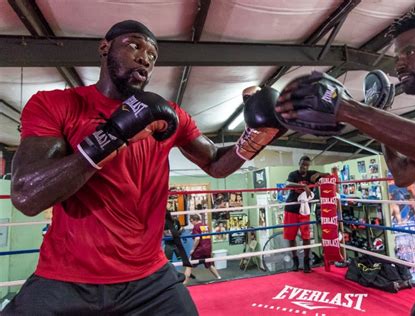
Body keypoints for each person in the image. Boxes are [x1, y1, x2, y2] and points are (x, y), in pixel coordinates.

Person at [6, 20, 284, 315]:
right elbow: (26, 195)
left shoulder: (170, 114)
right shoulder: (57, 104)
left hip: (150, 279)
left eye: (152, 55)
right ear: (104, 47)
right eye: (134, 46)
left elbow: (215, 163)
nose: (145, 58)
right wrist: (112, 135)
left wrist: (257, 136)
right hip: (67, 277)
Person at [275, 5, 415, 314]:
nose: (400, 63)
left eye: (410, 51)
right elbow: (403, 173)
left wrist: (349, 108)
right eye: (398, 56)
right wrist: (378, 114)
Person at [284, 155, 328, 273]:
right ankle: (295, 261)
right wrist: (304, 186)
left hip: (305, 210)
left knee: (306, 236)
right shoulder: (293, 174)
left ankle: (306, 262)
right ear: (299, 163)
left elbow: (329, 175)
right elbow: (287, 184)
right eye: (303, 164)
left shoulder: (311, 174)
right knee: (291, 236)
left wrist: (319, 174)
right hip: (291, 208)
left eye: (307, 165)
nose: (304, 167)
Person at [184, 214, 221, 284]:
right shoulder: (205, 225)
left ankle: (184, 283)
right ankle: (219, 277)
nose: (191, 223)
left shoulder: (196, 227)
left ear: (195, 220)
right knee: (209, 264)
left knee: (188, 264)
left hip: (200, 249)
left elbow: (197, 239)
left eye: (191, 221)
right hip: (207, 248)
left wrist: (192, 249)